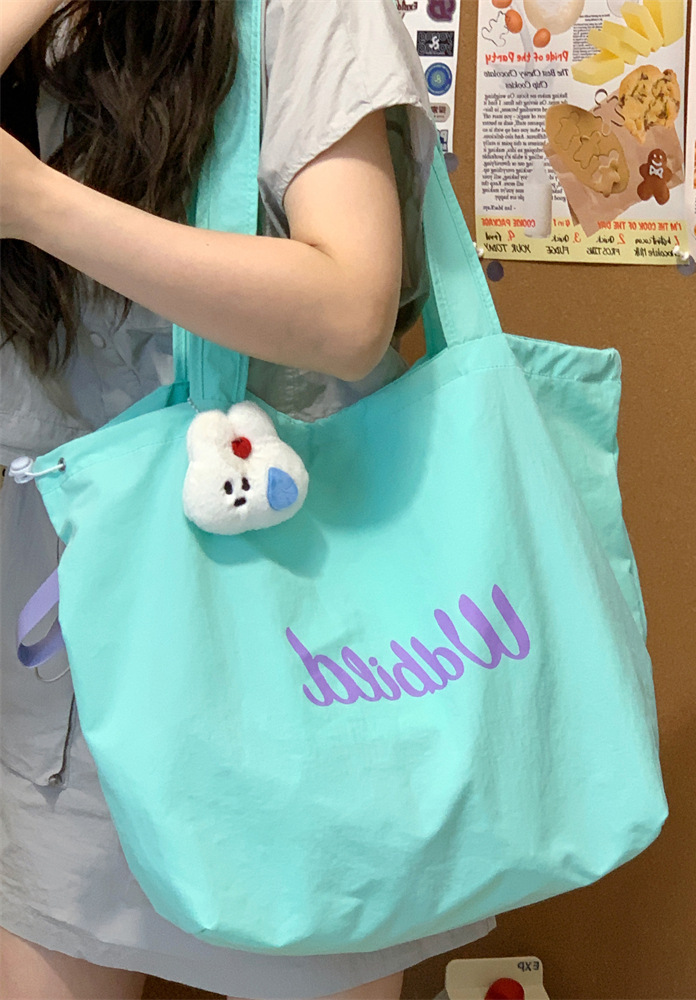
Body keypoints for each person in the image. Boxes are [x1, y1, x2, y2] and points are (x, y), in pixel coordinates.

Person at [0, 1, 498, 998]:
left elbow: (350, 311)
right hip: (63, 677)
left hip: (293, 647)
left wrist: (35, 204)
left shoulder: (299, 15)